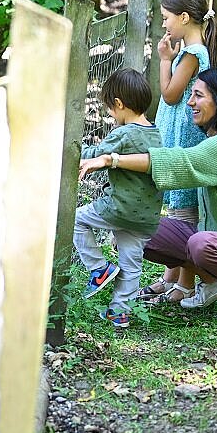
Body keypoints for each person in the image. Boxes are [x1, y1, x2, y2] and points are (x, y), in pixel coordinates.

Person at [79, 68, 217, 331]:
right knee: (143, 227)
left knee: (201, 243)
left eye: (198, 95)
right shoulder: (215, 140)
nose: (190, 102)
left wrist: (111, 159)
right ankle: (213, 281)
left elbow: (177, 162)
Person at [140, 0, 217, 305]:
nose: (164, 24)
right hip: (179, 136)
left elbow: (171, 95)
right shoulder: (194, 51)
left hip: (183, 139)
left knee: (183, 212)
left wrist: (164, 60)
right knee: (178, 209)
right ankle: (171, 276)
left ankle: (185, 282)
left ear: (184, 17)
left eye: (166, 18)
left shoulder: (192, 53)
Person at [74, 68, 162, 328]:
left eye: (110, 109)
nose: (111, 114)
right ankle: (119, 313)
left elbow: (96, 155)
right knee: (131, 263)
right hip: (146, 216)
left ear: (119, 104)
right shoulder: (156, 133)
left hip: (118, 207)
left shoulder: (124, 133)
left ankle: (99, 269)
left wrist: (73, 148)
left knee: (76, 220)